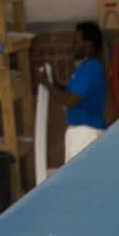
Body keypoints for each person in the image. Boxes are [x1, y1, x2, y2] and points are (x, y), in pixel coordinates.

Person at [44, 21, 110, 162]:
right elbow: (72, 94)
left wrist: (46, 84)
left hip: (86, 134)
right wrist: (54, 83)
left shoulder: (90, 68)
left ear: (87, 44)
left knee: (82, 181)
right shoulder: (87, 67)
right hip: (84, 132)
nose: (73, 45)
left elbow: (70, 101)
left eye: (76, 41)